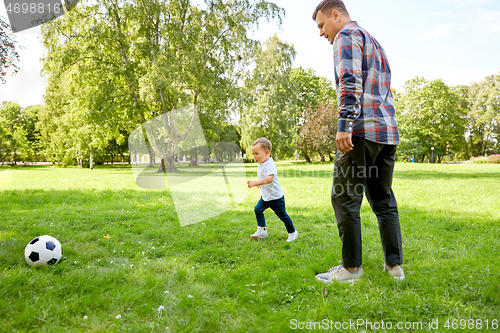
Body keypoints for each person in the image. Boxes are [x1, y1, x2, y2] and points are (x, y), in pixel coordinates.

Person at [312, 0, 404, 283]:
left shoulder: (346, 36)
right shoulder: (375, 42)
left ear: (335, 15)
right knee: (383, 199)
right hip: (386, 133)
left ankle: (351, 269)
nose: (321, 33)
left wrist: (344, 125)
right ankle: (394, 267)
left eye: (321, 25)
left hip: (361, 132)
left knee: (344, 198)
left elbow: (350, 81)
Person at [247, 138, 298, 242]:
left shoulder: (270, 164)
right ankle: (262, 231)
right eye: (253, 154)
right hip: (266, 197)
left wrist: (256, 183)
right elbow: (264, 178)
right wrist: (260, 184)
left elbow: (270, 179)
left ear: (267, 152)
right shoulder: (261, 164)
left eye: (256, 153)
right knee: (258, 209)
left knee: (283, 216)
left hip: (275, 198)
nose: (254, 156)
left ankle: (293, 233)